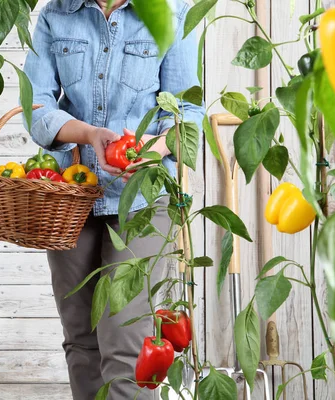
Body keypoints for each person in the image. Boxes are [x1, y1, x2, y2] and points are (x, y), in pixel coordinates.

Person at [23, 0, 204, 398]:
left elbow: (187, 113)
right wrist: (90, 135)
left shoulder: (173, 13)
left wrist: (147, 151)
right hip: (71, 196)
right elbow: (34, 106)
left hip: (144, 197)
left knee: (127, 339)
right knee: (81, 337)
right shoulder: (58, 13)